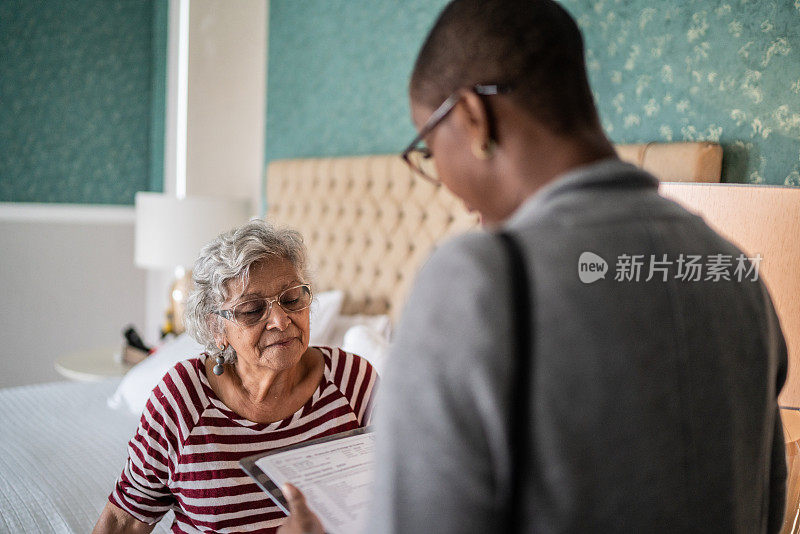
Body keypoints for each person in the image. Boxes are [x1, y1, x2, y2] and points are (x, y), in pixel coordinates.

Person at [270, 0, 788, 531]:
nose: (441, 182)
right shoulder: (734, 271)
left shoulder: (479, 281)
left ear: (473, 117)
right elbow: (770, 506)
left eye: (428, 150)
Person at [92, 219, 378, 533]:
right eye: (253, 309)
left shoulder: (355, 383)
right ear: (217, 328)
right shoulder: (182, 399)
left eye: (292, 298)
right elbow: (124, 521)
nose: (281, 321)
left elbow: (402, 497)